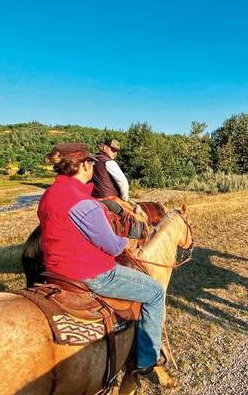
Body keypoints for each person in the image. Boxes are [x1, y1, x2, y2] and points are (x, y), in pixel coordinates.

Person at [38, 142, 164, 374]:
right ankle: (148, 358)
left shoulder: (48, 195)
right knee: (155, 293)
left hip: (53, 272)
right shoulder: (85, 204)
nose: (93, 169)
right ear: (84, 165)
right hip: (91, 274)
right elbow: (111, 247)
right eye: (91, 165)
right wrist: (125, 241)